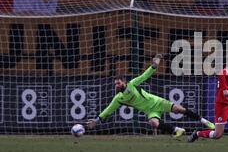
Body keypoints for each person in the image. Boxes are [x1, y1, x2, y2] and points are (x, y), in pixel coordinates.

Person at [86, 54, 215, 138]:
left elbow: (145, 75)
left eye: (118, 83)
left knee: (179, 109)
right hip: (150, 110)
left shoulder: (132, 84)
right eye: (115, 84)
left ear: (124, 82)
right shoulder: (118, 99)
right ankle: (177, 130)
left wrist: (154, 65)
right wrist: (96, 121)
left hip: (157, 102)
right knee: (153, 123)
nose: (117, 85)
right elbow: (108, 110)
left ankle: (205, 121)